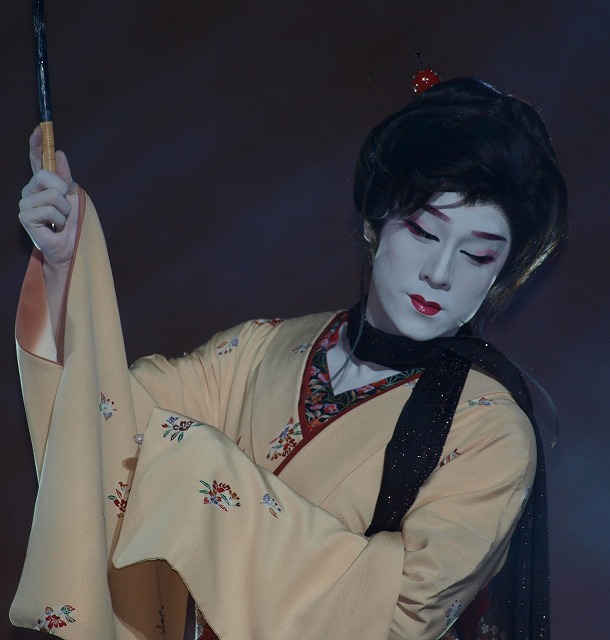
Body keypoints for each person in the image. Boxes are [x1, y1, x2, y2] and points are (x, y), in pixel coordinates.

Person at [12, 77, 567, 640]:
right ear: (375, 220)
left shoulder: (490, 431)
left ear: (502, 273)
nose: (440, 273)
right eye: (424, 231)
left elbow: (403, 615)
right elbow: (109, 429)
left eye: (477, 255)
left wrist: (203, 479)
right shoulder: (261, 349)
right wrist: (64, 268)